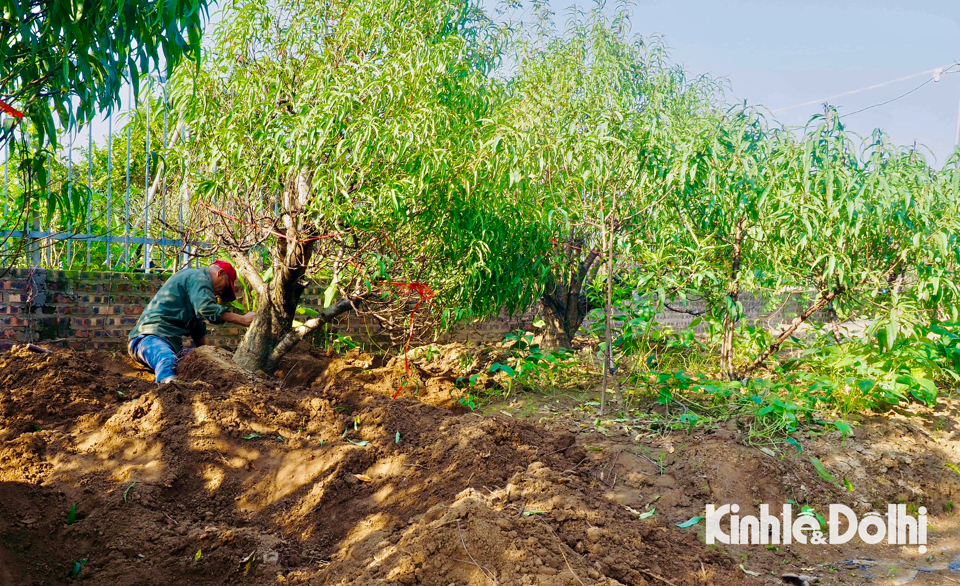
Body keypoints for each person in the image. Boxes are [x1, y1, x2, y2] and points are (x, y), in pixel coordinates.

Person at [127, 261, 257, 383]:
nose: (221, 293)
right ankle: (168, 392)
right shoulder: (198, 277)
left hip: (159, 343)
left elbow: (197, 328)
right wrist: (242, 319)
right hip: (147, 339)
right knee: (167, 359)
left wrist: (204, 354)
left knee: (191, 361)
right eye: (226, 286)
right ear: (220, 273)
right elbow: (206, 308)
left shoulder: (194, 286)